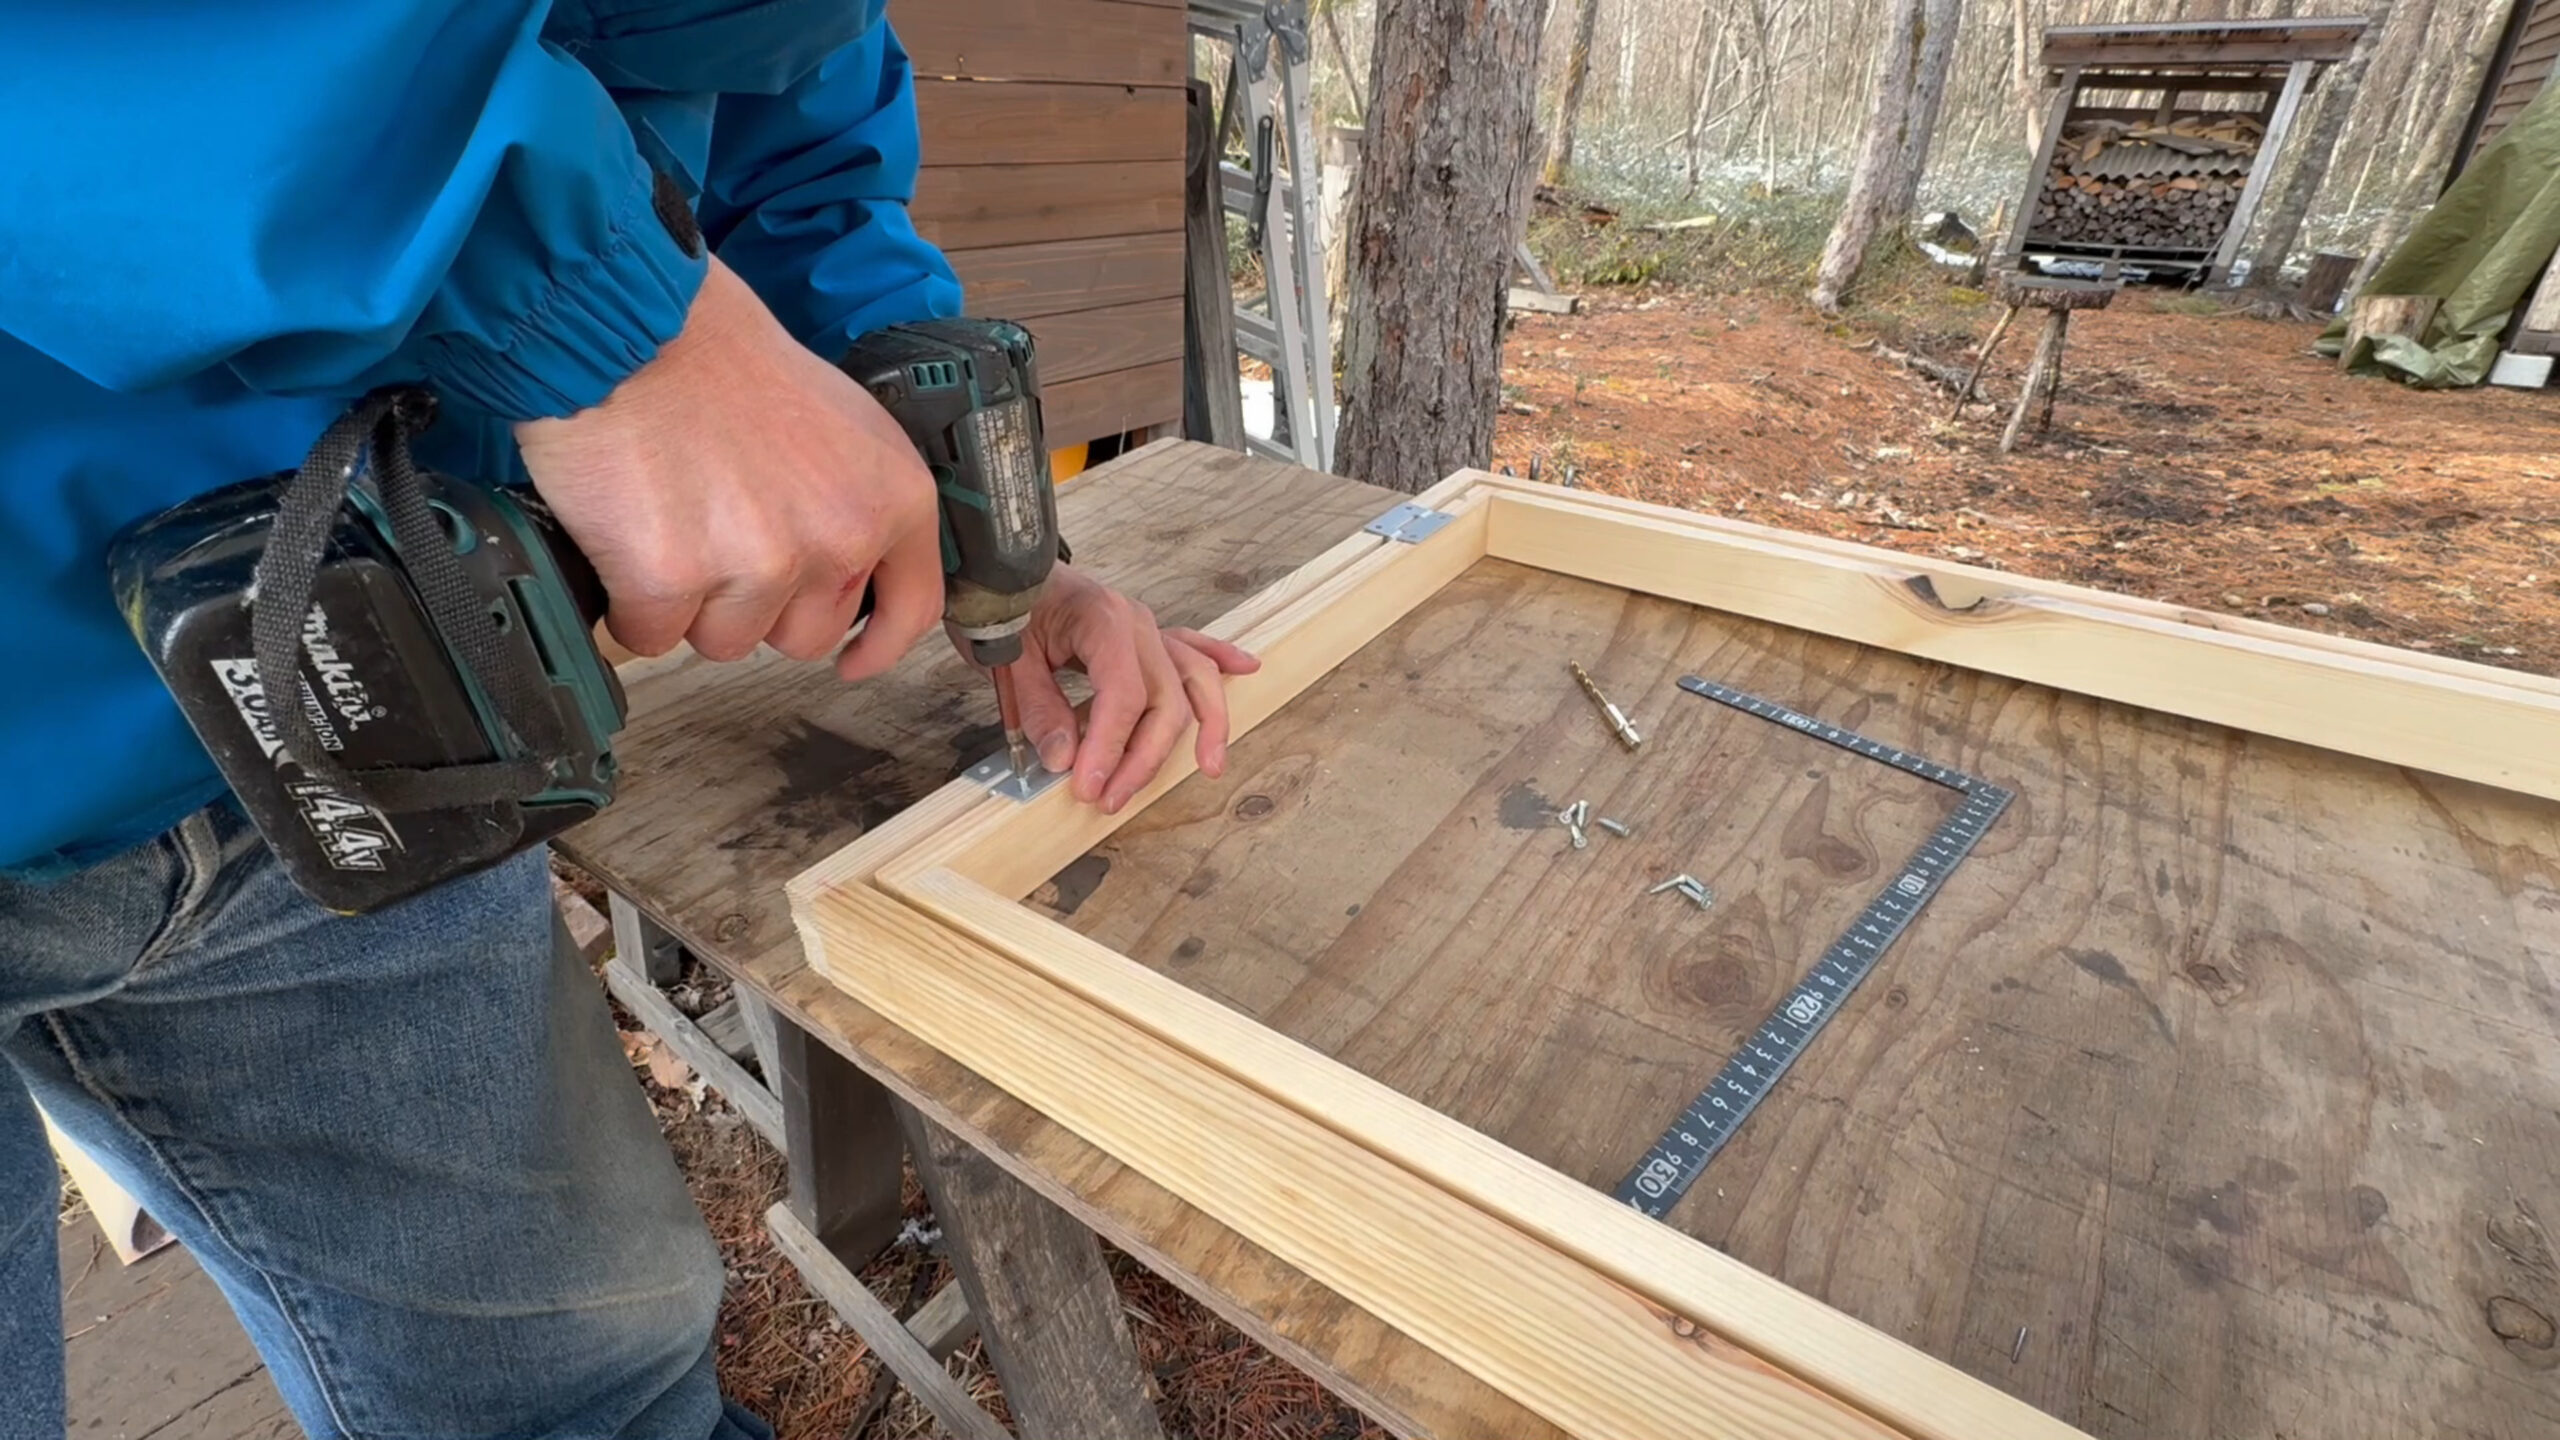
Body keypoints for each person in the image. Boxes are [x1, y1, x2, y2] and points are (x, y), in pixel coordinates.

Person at [0, 5, 1249, 1435]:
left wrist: (984, 532)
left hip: (373, 715)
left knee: (586, 1387)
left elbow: (783, 118)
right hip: (96, 663)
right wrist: (592, 316)